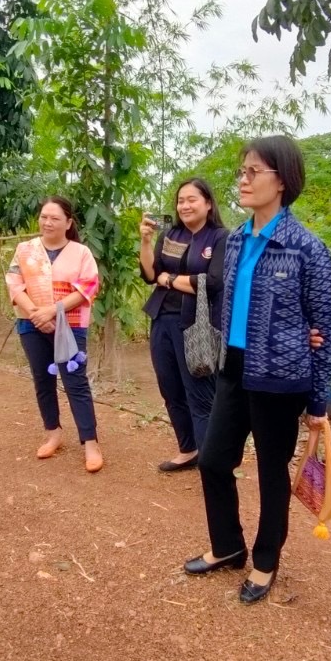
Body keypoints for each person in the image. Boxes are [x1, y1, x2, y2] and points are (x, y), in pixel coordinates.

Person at [184, 135, 331, 605]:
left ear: (283, 180)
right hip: (233, 368)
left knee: (272, 472)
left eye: (254, 172)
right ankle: (228, 546)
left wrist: (317, 403)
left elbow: (325, 328)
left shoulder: (307, 249)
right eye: (242, 172)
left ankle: (266, 560)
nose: (244, 180)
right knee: (212, 461)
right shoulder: (235, 241)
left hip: (279, 379)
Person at [6, 196, 104, 473]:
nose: (47, 222)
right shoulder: (25, 250)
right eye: (44, 216)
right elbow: (14, 283)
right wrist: (37, 314)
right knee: (42, 379)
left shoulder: (81, 252)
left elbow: (88, 288)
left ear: (68, 222)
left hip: (70, 324)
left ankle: (90, 442)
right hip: (30, 324)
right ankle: (53, 433)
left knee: (75, 381)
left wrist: (53, 311)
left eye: (55, 218)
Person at [138, 178, 229, 472]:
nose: (185, 205)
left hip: (197, 324)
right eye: (181, 200)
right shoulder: (171, 234)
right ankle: (188, 449)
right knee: (171, 389)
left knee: (201, 392)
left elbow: (215, 282)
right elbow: (150, 274)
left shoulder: (219, 237)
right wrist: (146, 241)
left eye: (192, 199)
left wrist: (170, 279)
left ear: (208, 203)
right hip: (162, 319)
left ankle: (211, 459)